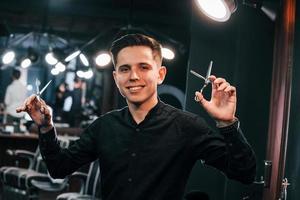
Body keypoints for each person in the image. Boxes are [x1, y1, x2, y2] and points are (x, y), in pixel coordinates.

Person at [16, 34, 256, 200]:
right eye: (124, 69)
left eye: (143, 67)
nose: (133, 76)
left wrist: (227, 124)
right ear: (115, 77)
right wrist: (46, 127)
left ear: (160, 74)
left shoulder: (187, 126)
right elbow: (59, 168)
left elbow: (244, 172)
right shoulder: (104, 127)